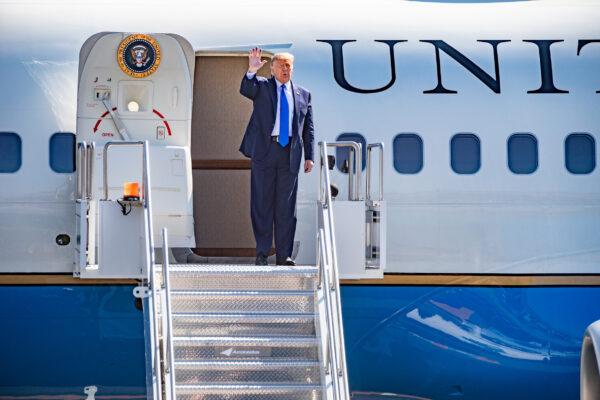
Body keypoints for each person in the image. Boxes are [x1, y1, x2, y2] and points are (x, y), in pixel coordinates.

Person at [240, 48, 314, 266]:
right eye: (281, 65)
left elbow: (307, 128)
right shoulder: (262, 86)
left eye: (288, 65)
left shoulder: (303, 94)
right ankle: (262, 254)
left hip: (289, 153)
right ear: (271, 68)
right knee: (262, 205)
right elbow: (246, 89)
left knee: (286, 208)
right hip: (265, 151)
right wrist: (252, 70)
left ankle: (284, 256)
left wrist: (309, 156)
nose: (285, 69)